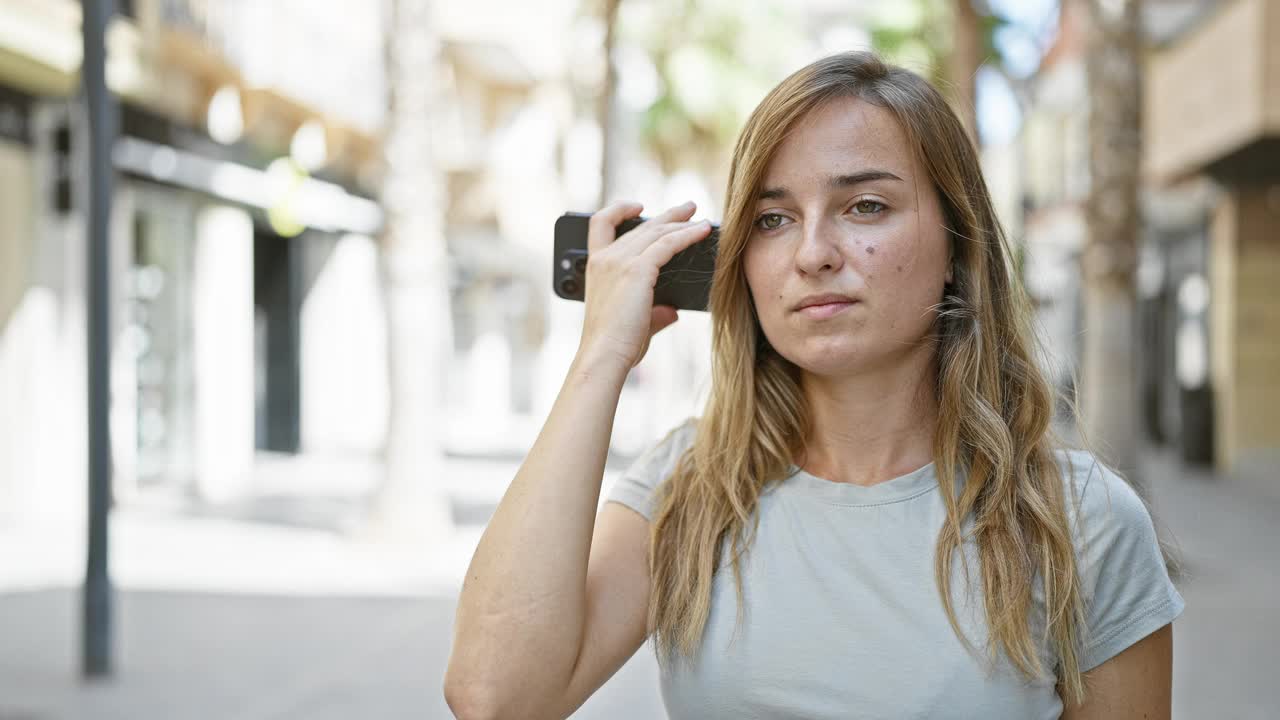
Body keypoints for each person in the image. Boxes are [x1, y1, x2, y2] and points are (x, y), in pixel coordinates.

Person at [443, 50, 1184, 719]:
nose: (813, 253)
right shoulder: (690, 488)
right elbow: (495, 697)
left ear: (958, 245)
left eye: (866, 206)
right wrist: (600, 357)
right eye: (772, 218)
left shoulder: (1078, 521)